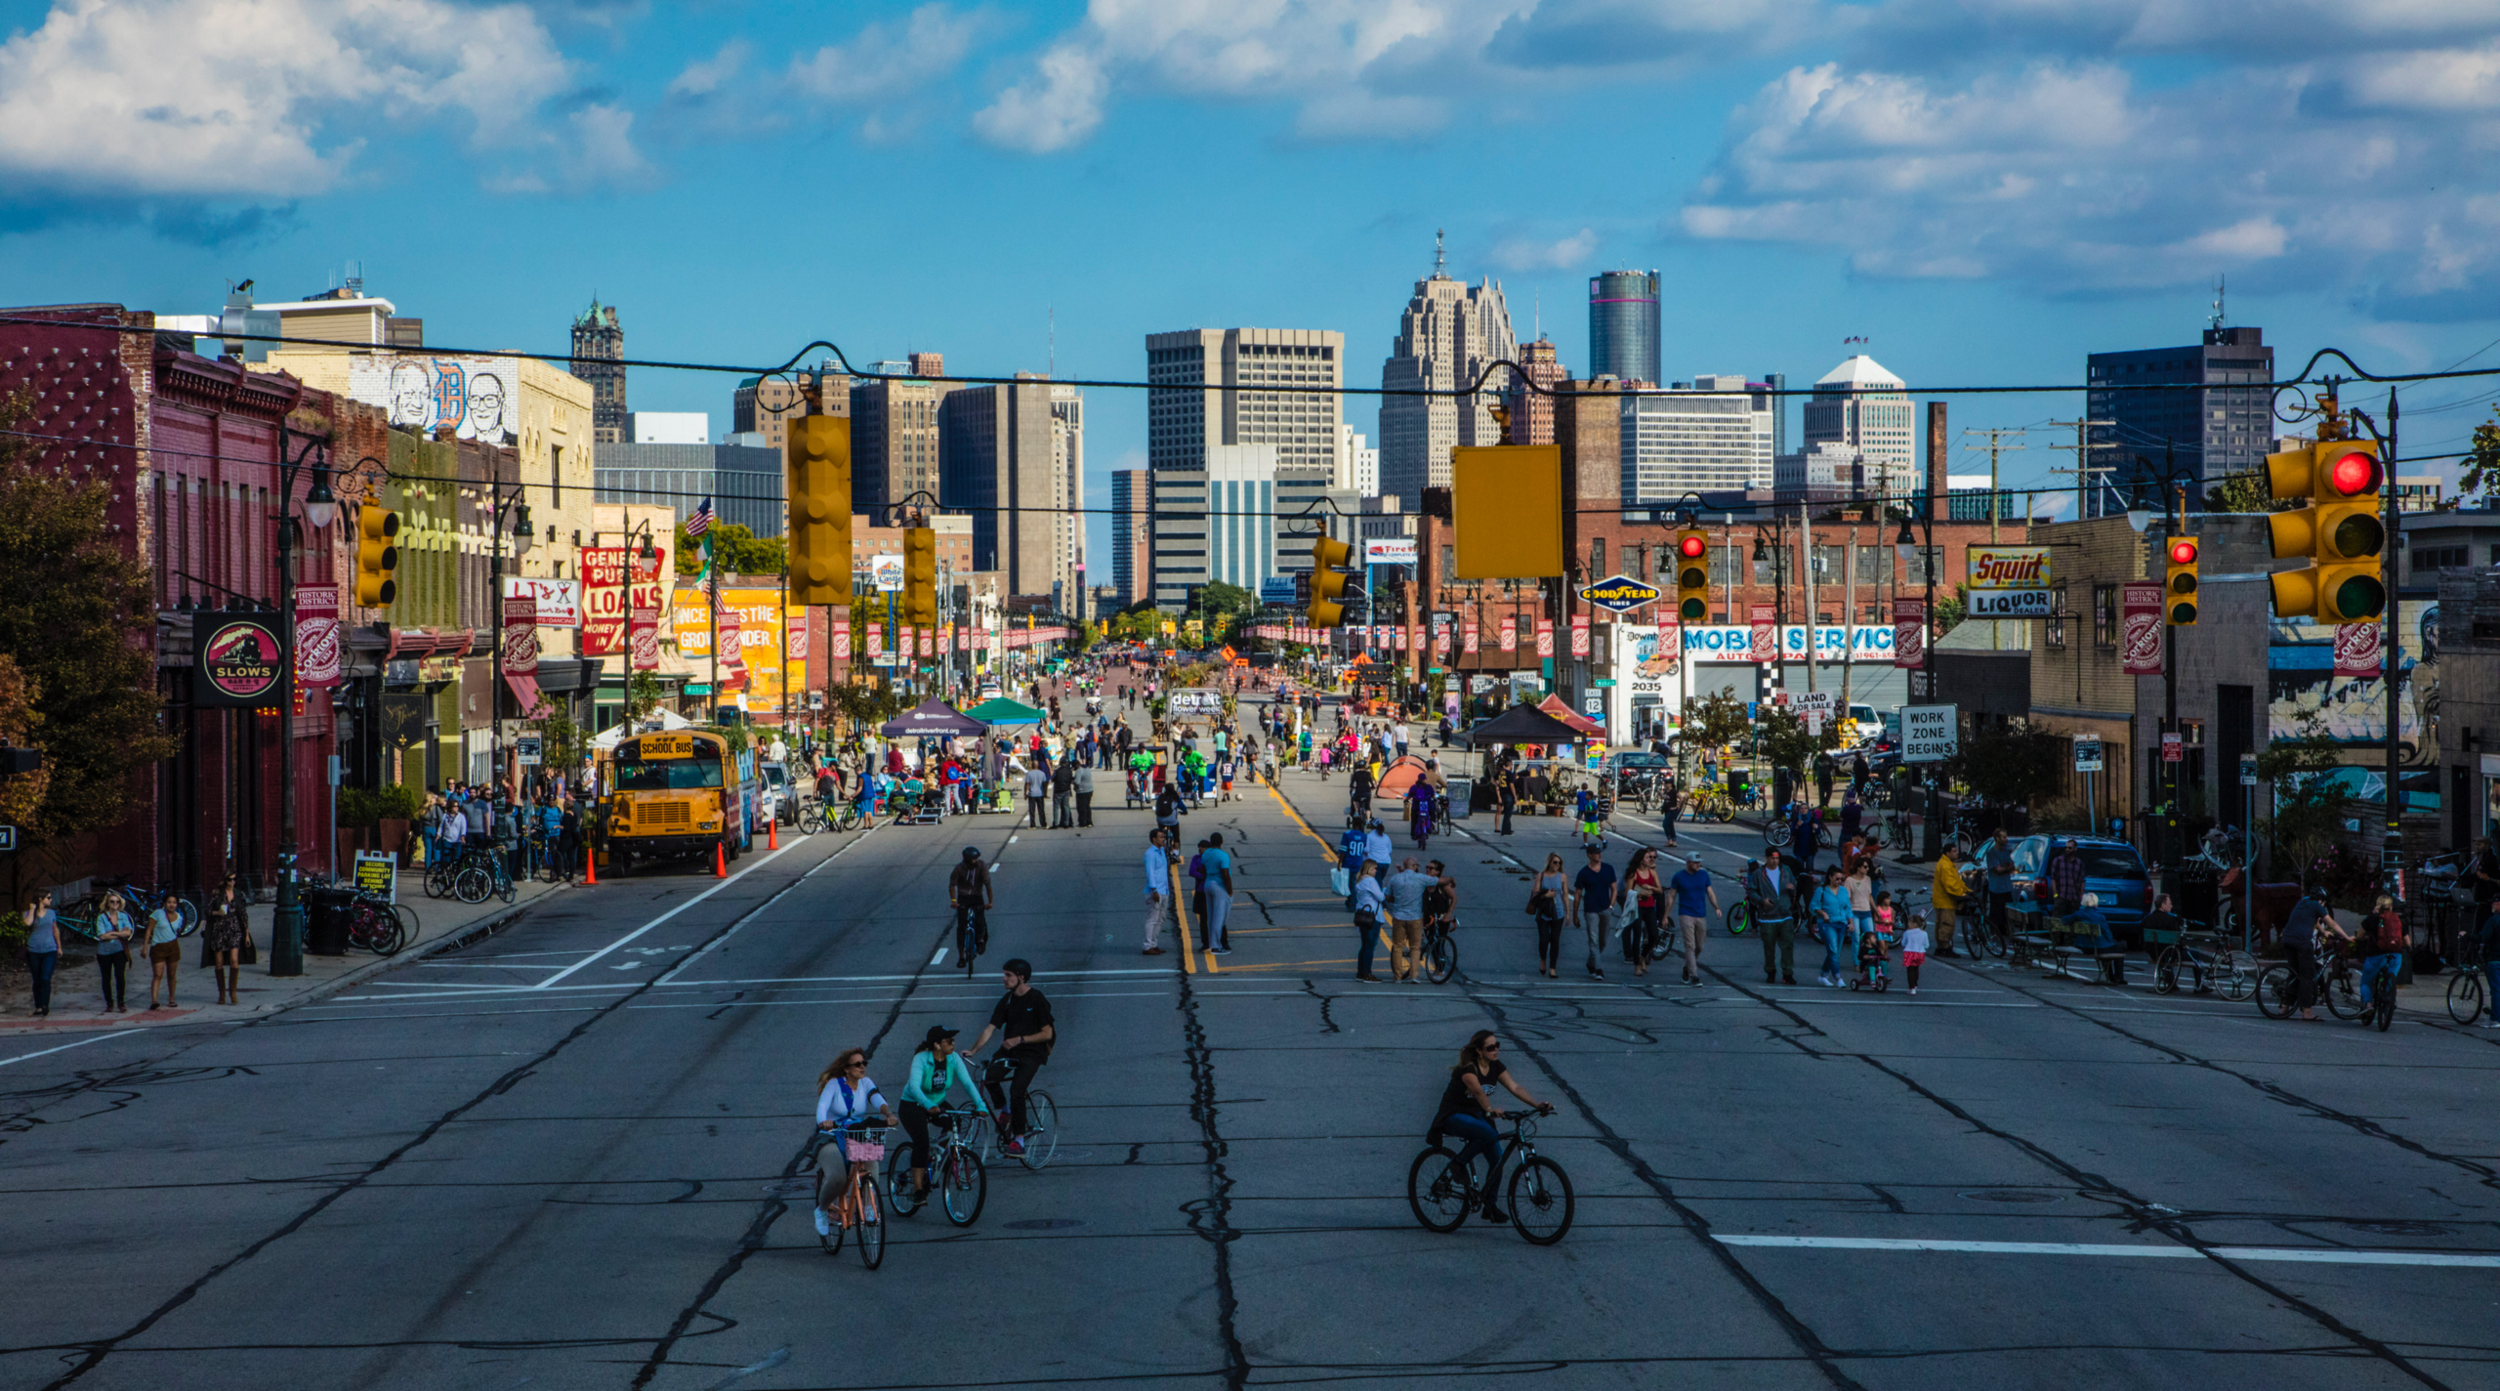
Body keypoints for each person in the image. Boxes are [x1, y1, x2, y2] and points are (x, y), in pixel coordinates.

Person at [1430, 1031, 1553, 1226]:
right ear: (1479, 1051)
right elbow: (1478, 1091)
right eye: (1490, 1047)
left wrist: (1536, 1105)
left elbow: (1515, 1087)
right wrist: (1489, 1109)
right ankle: (1457, 1164)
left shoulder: (1496, 1067)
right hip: (1454, 1115)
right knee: (1488, 1133)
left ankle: (1490, 1205)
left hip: (1478, 1116)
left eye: (1497, 1045)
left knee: (1497, 1160)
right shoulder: (1468, 1069)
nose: (1496, 1050)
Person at [967, 959, 1054, 1154]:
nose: (1003, 979)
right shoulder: (1007, 1000)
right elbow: (990, 1028)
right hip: (1010, 1050)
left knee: (1017, 1090)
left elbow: (1047, 1033)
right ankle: (1005, 1111)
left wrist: (1020, 1039)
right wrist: (973, 1050)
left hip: (1032, 1052)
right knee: (989, 1076)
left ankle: (1019, 1140)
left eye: (1008, 975)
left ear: (1021, 977)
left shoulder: (1037, 999)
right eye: (1004, 974)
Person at [897, 1026, 990, 1200]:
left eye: (953, 1040)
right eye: (949, 1041)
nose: (953, 1044)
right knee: (922, 1142)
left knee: (955, 1122)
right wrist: (927, 1104)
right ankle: (917, 1189)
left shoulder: (953, 1059)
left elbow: (968, 1083)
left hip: (937, 1103)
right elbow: (914, 1086)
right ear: (937, 1045)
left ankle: (941, 1159)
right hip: (913, 1103)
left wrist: (980, 1105)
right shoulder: (921, 1059)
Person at [813, 1047, 897, 1237]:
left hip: (855, 1133)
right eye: (857, 1064)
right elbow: (822, 1106)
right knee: (837, 1177)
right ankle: (822, 1209)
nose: (862, 1067)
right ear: (847, 1069)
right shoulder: (834, 1085)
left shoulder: (865, 1083)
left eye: (864, 1063)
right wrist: (822, 1122)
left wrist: (889, 1114)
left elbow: (877, 1099)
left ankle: (868, 1206)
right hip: (832, 1133)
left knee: (871, 1164)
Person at [2279, 885, 2338, 1022]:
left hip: (2287, 940)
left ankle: (2284, 1007)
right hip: (2301, 942)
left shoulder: (2303, 901)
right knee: (2307, 976)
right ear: (2321, 900)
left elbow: (2314, 921)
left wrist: (2323, 932)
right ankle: (2307, 1012)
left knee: (2295, 973)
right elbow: (2332, 923)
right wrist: (2346, 937)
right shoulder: (2317, 905)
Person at [2354, 894, 2408, 1013]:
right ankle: (2389, 999)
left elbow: (2359, 936)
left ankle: (2368, 1004)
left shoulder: (2371, 919)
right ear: (2391, 906)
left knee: (2366, 982)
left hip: (2375, 956)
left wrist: (2367, 938)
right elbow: (2407, 943)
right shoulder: (2399, 920)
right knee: (2390, 978)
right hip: (2395, 956)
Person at [1385, 856, 1435, 983]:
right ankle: (1414, 975)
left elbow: (1388, 896)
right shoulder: (1420, 878)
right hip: (1415, 918)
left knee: (1397, 947)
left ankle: (1397, 977)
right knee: (1415, 947)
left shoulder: (1395, 878)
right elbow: (1436, 881)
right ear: (1414, 866)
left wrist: (1396, 900)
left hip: (1399, 917)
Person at [1572, 844, 1618, 980]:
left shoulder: (1608, 869)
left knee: (1603, 940)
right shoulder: (1583, 873)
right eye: (1596, 853)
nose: (1599, 854)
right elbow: (1577, 895)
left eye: (1600, 852)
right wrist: (1575, 915)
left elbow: (1614, 888)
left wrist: (1611, 905)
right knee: (1593, 940)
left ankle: (1591, 962)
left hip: (1605, 908)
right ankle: (1598, 969)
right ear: (1589, 855)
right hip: (1590, 910)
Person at [1669, 854, 1717, 986]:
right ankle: (1694, 976)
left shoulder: (1704, 875)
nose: (1698, 865)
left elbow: (1710, 893)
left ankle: (1687, 967)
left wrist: (1716, 907)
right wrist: (1665, 915)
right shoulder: (1679, 876)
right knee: (1690, 945)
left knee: (1699, 946)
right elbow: (1671, 896)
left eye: (1699, 862)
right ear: (1688, 863)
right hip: (1686, 914)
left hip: (1700, 914)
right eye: (1696, 863)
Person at [203, 875, 248, 1005]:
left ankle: (233, 992)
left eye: (235, 879)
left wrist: (246, 932)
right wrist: (217, 913)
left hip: (234, 929)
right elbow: (207, 910)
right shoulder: (217, 894)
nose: (233, 881)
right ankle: (222, 993)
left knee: (234, 960)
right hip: (219, 929)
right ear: (224, 880)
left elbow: (244, 913)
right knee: (219, 963)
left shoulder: (239, 894)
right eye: (230, 879)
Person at [1623, 848, 1664, 976]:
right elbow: (1627, 893)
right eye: (1647, 857)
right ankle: (1637, 965)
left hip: (1650, 906)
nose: (1650, 860)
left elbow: (1660, 890)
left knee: (1653, 935)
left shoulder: (1652, 872)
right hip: (1637, 907)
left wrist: (1650, 887)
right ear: (1641, 860)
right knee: (1637, 934)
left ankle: (1643, 956)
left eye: (1651, 857)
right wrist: (1639, 894)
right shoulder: (1633, 873)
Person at [19, 889, 60, 1018]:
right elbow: (27, 923)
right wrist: (32, 910)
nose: (50, 900)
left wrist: (59, 947)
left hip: (50, 949)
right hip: (34, 950)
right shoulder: (27, 913)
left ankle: (44, 1005)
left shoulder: (52, 913)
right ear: (41, 899)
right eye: (48, 897)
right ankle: (38, 1006)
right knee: (37, 979)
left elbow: (55, 930)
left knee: (45, 977)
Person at [93, 890, 134, 1012]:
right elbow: (102, 936)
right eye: (112, 901)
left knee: (120, 976)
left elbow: (128, 933)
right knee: (106, 978)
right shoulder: (102, 917)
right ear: (107, 903)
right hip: (104, 952)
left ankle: (121, 1002)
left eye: (117, 901)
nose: (115, 904)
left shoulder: (124, 916)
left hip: (120, 950)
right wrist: (120, 934)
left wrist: (113, 933)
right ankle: (109, 1003)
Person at [1811, 868, 1853, 988]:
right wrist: (1823, 914)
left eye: (1841, 879)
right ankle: (1838, 977)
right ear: (1830, 877)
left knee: (1835, 952)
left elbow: (1848, 907)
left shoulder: (1844, 891)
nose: (1839, 881)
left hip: (1842, 923)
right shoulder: (1822, 890)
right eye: (1837, 878)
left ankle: (1823, 975)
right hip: (1827, 923)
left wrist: (1851, 922)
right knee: (1833, 951)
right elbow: (1813, 906)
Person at [949, 847, 992, 962]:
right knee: (961, 927)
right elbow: (952, 885)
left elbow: (987, 884)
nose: (976, 861)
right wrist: (953, 901)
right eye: (974, 859)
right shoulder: (958, 868)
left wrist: (990, 902)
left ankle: (980, 940)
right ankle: (962, 957)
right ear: (967, 860)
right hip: (963, 898)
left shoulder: (981, 866)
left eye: (977, 858)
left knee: (980, 921)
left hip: (977, 897)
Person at [1528, 853, 1567, 978]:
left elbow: (1565, 895)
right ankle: (1543, 959)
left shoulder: (1562, 877)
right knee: (1544, 939)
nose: (1557, 865)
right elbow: (1535, 894)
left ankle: (1552, 968)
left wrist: (1569, 914)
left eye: (1559, 863)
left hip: (1558, 912)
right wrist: (1545, 895)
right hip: (1544, 913)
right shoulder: (1541, 876)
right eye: (1555, 862)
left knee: (1555, 940)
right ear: (1549, 863)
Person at [1932, 839, 1969, 957]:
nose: (1956, 853)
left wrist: (1966, 890)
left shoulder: (1947, 864)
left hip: (1942, 900)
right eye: (1954, 851)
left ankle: (1941, 947)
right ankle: (1945, 947)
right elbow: (1950, 884)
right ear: (1947, 853)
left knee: (1941, 924)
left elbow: (1956, 881)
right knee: (1947, 924)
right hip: (1945, 900)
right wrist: (1962, 894)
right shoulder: (1946, 865)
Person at [1352, 859, 1388, 982]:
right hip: (1372, 917)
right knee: (1370, 947)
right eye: (1375, 868)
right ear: (1369, 869)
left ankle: (1360, 972)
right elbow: (1380, 897)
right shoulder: (1370, 881)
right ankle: (1367, 973)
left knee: (1364, 946)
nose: (1376, 870)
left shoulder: (1360, 880)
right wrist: (1384, 890)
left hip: (1362, 917)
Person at [1201, 832, 1237, 956]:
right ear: (1221, 841)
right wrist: (1230, 891)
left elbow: (1202, 869)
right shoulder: (1223, 855)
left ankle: (1212, 943)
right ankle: (1216, 946)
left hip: (1208, 884)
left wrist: (1207, 880)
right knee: (1220, 917)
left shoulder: (1206, 853)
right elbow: (1226, 875)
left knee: (1211, 916)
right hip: (1219, 887)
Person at [1142, 828, 1173, 956]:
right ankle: (1147, 946)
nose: (1163, 839)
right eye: (1160, 837)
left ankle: (1154, 944)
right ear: (1154, 839)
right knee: (1152, 919)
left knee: (1160, 919)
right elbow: (1150, 873)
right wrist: (1154, 890)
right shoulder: (1150, 854)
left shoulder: (1161, 852)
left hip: (1164, 890)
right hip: (1155, 891)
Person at [1984, 831, 2018, 939]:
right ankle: (1994, 933)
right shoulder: (1992, 853)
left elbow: (2012, 866)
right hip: (1996, 889)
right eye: (2003, 837)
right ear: (1997, 838)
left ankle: (2006, 931)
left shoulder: (2005, 851)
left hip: (2006, 888)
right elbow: (1997, 870)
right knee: (1996, 913)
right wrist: (2005, 868)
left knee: (2007, 913)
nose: (2006, 839)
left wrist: (2005, 868)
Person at [1899, 912, 1931, 995]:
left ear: (1914, 924)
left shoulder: (1907, 933)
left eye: (1909, 922)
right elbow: (1927, 945)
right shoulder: (1924, 933)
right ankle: (1915, 984)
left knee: (1910, 970)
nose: (1908, 924)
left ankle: (1911, 986)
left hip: (1909, 952)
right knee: (1916, 969)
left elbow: (1903, 943)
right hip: (1920, 953)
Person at [1409, 776, 1437, 852]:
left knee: (1414, 820)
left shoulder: (1414, 787)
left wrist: (1407, 800)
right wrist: (1434, 800)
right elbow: (1433, 796)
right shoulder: (1429, 787)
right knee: (1432, 813)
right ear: (1425, 779)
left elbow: (1409, 796)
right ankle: (1432, 825)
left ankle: (1413, 834)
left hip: (1416, 807)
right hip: (1427, 807)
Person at [1024, 761, 1050, 829]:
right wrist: (1045, 793)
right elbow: (1044, 784)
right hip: (1040, 793)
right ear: (1038, 766)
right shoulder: (1042, 773)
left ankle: (1033, 825)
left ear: (1031, 766)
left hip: (1032, 794)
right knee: (1041, 809)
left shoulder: (1029, 774)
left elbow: (1026, 784)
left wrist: (1025, 793)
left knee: (1032, 810)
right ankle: (1043, 824)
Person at [1072, 759, 1096, 827]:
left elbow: (1077, 782)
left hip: (1082, 791)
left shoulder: (1079, 771)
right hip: (1090, 790)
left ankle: (1082, 822)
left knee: (1081, 807)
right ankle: (1089, 821)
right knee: (1087, 806)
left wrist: (1072, 781)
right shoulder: (1087, 769)